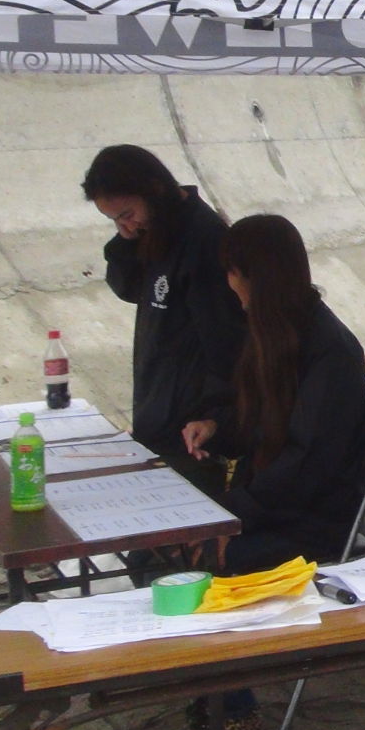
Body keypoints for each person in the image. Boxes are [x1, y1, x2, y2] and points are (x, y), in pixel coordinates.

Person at [163, 214, 365, 730]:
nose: (228, 285)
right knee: (174, 546)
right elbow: (259, 425)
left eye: (232, 273)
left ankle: (234, 713)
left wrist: (236, 516)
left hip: (315, 516)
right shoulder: (277, 334)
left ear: (255, 275)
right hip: (279, 501)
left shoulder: (330, 349)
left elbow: (309, 464)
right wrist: (217, 426)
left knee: (210, 563)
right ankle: (209, 695)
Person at [81, 146, 243, 487]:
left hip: (190, 426)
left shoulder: (204, 239)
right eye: (115, 220)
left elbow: (225, 342)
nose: (127, 225)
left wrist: (215, 418)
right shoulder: (155, 228)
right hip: (157, 407)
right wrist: (125, 242)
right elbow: (131, 288)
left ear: (153, 188)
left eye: (127, 214)